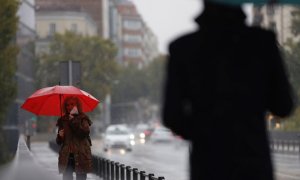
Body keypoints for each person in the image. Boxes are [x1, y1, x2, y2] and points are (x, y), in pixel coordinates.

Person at [162, 1, 295, 180]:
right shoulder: (262, 43)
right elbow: (283, 105)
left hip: (208, 166)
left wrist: (204, 133)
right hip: (253, 165)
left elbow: (171, 115)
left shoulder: (183, 48)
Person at [56, 96, 93, 180]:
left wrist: (73, 120)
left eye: (72, 104)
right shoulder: (63, 120)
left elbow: (84, 133)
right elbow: (58, 142)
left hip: (81, 155)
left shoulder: (83, 119)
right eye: (67, 105)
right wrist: (60, 136)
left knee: (81, 178)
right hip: (67, 156)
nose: (69, 107)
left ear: (77, 105)